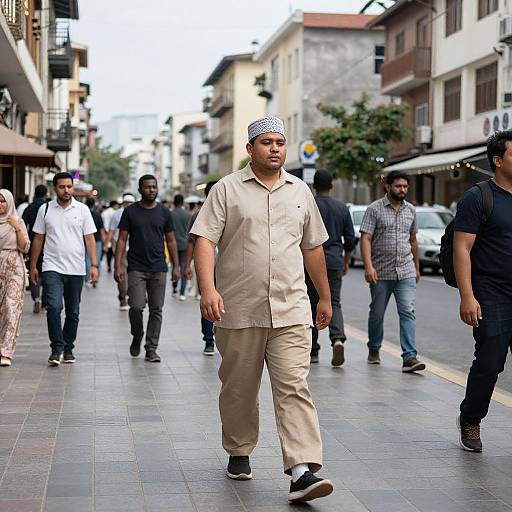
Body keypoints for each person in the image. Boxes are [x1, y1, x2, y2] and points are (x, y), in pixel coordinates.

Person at [191, 116, 334, 503]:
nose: (275, 148)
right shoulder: (226, 190)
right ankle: (239, 449)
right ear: (250, 148)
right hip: (239, 308)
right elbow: (204, 240)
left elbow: (312, 247)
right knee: (239, 388)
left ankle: (302, 470)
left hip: (291, 308)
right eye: (267, 142)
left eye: (280, 142)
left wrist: (324, 296)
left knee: (294, 387)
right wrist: (208, 289)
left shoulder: (300, 191)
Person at [453, 130, 512, 452]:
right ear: (498, 160)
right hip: (490, 293)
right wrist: (467, 295)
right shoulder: (478, 197)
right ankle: (471, 418)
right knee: (490, 362)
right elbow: (462, 248)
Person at [359, 171, 425, 373]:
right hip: (380, 272)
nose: (402, 190)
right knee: (377, 314)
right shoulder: (374, 209)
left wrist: (416, 267)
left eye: (405, 186)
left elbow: (413, 239)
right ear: (387, 186)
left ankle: (409, 357)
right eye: (398, 186)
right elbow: (366, 238)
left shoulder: (411, 210)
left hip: (405, 271)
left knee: (408, 311)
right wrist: (368, 266)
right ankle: (374, 348)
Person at [30, 172, 99, 366]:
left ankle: (68, 348)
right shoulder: (45, 209)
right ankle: (56, 348)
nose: (66, 190)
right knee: (53, 307)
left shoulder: (83, 210)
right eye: (62, 187)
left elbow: (90, 239)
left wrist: (94, 265)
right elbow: (38, 239)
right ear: (55, 189)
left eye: (69, 186)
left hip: (76, 268)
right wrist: (33, 265)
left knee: (73, 311)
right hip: (52, 266)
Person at [114, 175, 179, 363]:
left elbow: (171, 240)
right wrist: (118, 265)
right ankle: (137, 334)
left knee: (156, 309)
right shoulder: (130, 212)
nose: (152, 190)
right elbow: (122, 240)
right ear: (140, 190)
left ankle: (151, 348)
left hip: (159, 267)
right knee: (135, 306)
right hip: (136, 267)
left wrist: (176, 266)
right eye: (148, 187)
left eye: (154, 187)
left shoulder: (165, 213)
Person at [307, 169, 356, 366]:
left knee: (311, 302)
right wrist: (345, 261)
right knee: (333, 301)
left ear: (314, 186)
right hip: (334, 261)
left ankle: (313, 351)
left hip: (310, 262)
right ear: (332, 185)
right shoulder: (342, 208)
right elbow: (350, 239)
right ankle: (337, 339)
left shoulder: (310, 205)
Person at [184, 180, 218, 355]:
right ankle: (209, 340)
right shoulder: (198, 215)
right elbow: (191, 242)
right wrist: (187, 265)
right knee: (209, 301)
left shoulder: (234, 210)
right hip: (207, 265)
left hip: (230, 268)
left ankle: (225, 338)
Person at [0, 189, 30, 367]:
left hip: (14, 266)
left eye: (3, 201)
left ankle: (6, 351)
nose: (0, 204)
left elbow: (25, 247)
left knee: (11, 307)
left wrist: (17, 228)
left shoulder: (17, 221)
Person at [105, 193, 135, 310]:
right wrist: (107, 243)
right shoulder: (117, 214)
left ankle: (130, 296)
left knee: (131, 273)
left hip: (133, 247)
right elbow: (112, 231)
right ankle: (123, 298)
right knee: (122, 272)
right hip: (121, 248)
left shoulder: (135, 213)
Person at [22, 184, 48, 313]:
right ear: (46, 194)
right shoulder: (49, 208)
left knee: (33, 269)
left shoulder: (29, 208)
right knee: (47, 272)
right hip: (48, 244)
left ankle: (36, 297)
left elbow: (23, 225)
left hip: (33, 244)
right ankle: (44, 302)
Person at [170, 194, 190, 301]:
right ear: (182, 202)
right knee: (183, 266)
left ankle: (174, 288)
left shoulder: (170, 214)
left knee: (175, 265)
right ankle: (182, 292)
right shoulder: (187, 215)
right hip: (185, 244)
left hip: (172, 245)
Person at [85, 196, 105, 288]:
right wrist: (104, 242)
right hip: (97, 241)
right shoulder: (97, 215)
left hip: (85, 240)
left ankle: (88, 279)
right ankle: (95, 278)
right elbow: (101, 230)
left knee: (87, 260)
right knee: (96, 260)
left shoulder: (84, 213)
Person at [101, 200, 118, 272]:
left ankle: (109, 265)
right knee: (114, 251)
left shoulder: (104, 213)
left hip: (105, 233)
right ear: (114, 205)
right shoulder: (115, 213)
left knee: (108, 252)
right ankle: (115, 265)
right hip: (113, 234)